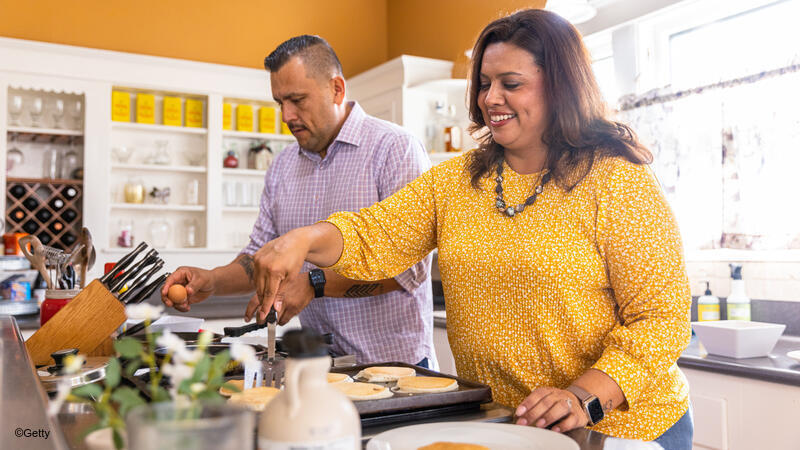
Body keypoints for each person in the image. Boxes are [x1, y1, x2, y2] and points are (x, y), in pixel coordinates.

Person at [246, 10, 693, 449]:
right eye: (484, 83)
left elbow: (661, 319)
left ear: (561, 87)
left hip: (619, 427)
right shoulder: (456, 181)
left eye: (510, 84)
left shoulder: (616, 178)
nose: (490, 98)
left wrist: (583, 397)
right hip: (507, 424)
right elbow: (376, 233)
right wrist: (304, 239)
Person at [161, 35, 436, 367]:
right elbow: (261, 256)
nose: (286, 115)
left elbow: (409, 270)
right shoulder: (282, 165)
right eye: (279, 102)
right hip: (319, 365)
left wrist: (314, 283)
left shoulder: (395, 149)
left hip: (396, 367)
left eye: (297, 100)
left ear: (337, 88)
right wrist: (213, 280)